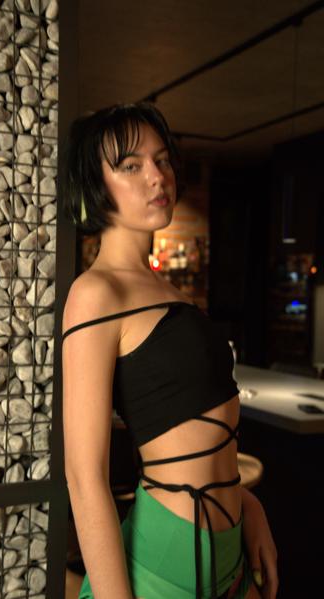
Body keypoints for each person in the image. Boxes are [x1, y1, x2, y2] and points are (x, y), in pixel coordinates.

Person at [61, 102, 278, 599]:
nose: (157, 176)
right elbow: (84, 475)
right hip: (165, 563)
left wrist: (249, 506)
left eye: (162, 160)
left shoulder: (170, 293)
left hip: (231, 553)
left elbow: (197, 433)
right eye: (131, 165)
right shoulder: (96, 293)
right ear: (96, 184)